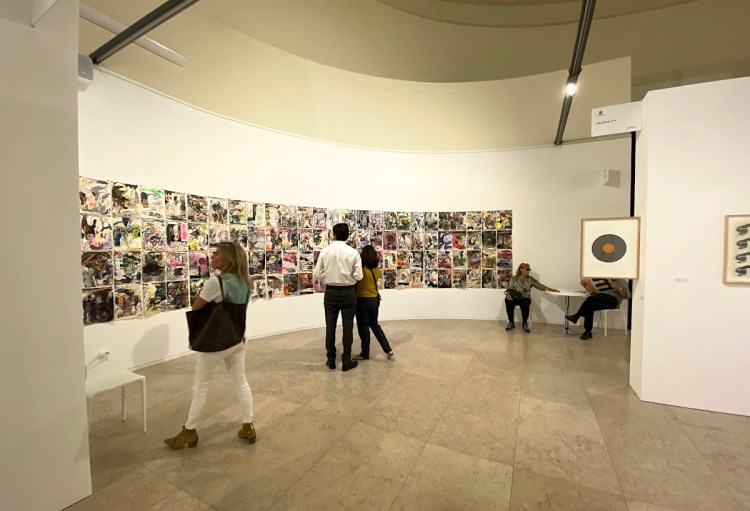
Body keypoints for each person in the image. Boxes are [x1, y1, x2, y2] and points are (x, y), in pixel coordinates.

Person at [164, 242, 255, 449]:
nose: (212, 257)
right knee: (241, 383)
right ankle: (248, 425)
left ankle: (189, 430)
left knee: (200, 387)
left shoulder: (216, 282)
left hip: (217, 341)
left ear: (228, 258)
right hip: (237, 339)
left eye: (217, 254)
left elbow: (197, 307)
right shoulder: (244, 282)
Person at [313, 223, 363, 371]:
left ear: (333, 235)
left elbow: (317, 273)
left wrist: (328, 277)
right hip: (348, 293)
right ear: (347, 235)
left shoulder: (325, 251)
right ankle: (346, 360)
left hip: (331, 292)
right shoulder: (353, 253)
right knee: (348, 327)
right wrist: (348, 278)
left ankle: (331, 359)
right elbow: (359, 276)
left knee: (330, 327)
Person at [353, 245, 394, 361]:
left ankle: (365, 353)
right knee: (375, 325)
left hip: (363, 301)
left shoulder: (361, 271)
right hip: (374, 300)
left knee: (364, 329)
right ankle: (388, 349)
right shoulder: (376, 271)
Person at [504, 263, 558, 333]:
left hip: (525, 297)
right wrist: (508, 295)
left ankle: (524, 323)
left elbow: (540, 286)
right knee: (508, 302)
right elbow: (509, 289)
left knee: (525, 304)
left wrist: (550, 289)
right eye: (527, 269)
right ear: (521, 269)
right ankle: (511, 322)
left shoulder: (530, 279)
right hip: (515, 297)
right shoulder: (513, 278)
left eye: (529, 269)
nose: (529, 270)